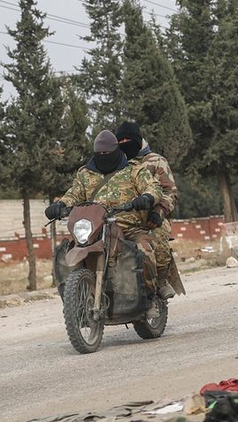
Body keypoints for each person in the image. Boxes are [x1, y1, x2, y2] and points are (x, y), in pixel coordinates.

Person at [45, 130, 162, 299]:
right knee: (65, 251)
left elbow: (153, 187)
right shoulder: (85, 174)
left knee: (144, 249)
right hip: (94, 227)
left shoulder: (134, 171)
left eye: (106, 153)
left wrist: (146, 197)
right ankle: (77, 301)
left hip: (126, 225)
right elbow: (74, 193)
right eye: (99, 153)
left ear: (116, 151)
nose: (103, 156)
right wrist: (60, 205)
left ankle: (150, 297)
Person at [114, 121, 179, 298]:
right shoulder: (115, 163)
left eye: (128, 139)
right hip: (121, 217)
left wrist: (159, 211)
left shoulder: (156, 161)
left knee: (158, 239)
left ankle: (161, 280)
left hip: (150, 217)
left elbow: (170, 191)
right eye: (121, 140)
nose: (124, 143)